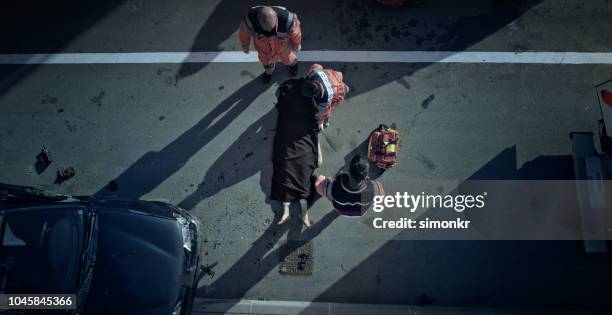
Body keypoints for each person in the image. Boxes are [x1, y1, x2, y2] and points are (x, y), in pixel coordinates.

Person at [271, 79, 319, 228]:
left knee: (289, 173)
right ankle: (298, 211)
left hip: (294, 139)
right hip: (298, 140)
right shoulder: (309, 102)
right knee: (291, 173)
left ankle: (297, 211)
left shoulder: (290, 94)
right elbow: (314, 130)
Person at [239, 6, 302, 84]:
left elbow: (296, 34)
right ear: (258, 21)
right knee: (266, 62)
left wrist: (297, 45)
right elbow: (244, 33)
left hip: (283, 47)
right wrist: (245, 45)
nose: (269, 32)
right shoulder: (249, 21)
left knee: (289, 59)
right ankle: (269, 72)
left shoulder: (288, 20)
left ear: (276, 18)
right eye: (266, 30)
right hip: (264, 49)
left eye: (272, 29)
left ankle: (293, 65)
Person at [314, 155, 384, 217]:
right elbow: (381, 196)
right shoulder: (375, 188)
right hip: (359, 213)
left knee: (320, 179)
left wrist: (326, 182)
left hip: (341, 210)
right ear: (366, 176)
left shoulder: (334, 188)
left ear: (349, 171)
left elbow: (318, 187)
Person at [302, 63, 350, 131]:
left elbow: (323, 112)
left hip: (337, 89)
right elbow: (316, 66)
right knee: (339, 75)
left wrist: (320, 122)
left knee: (330, 108)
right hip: (333, 75)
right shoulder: (315, 73)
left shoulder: (325, 99)